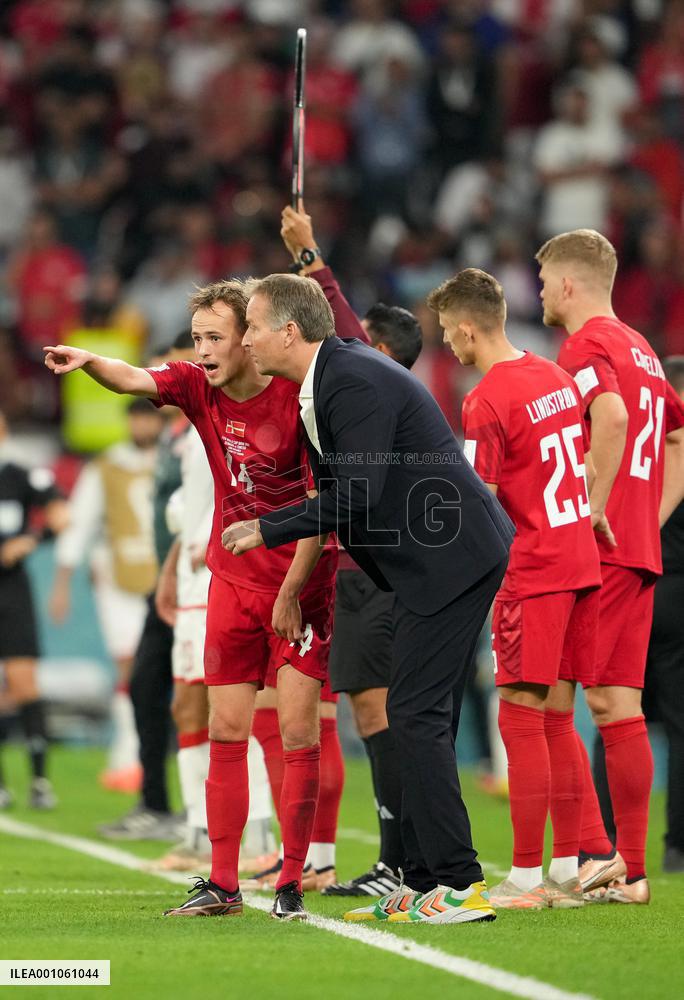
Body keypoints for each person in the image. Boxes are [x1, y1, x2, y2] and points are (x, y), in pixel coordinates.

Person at [44, 279, 339, 923]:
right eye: (198, 338)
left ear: (251, 336)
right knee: (226, 729)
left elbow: (326, 510)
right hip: (231, 582)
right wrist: (89, 362)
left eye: (216, 337)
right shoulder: (196, 387)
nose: (203, 350)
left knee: (296, 732)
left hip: (301, 583)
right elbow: (133, 380)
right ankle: (225, 883)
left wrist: (293, 591)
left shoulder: (303, 399)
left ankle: (294, 878)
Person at [224, 273, 515, 926]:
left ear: (289, 333)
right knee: (415, 716)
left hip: (452, 560)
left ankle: (461, 886)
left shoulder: (347, 379)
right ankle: (420, 881)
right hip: (428, 566)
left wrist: (265, 528)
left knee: (414, 716)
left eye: (253, 326)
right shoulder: (335, 372)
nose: (246, 339)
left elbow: (355, 494)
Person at [432, 268, 604, 909]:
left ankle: (527, 878)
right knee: (560, 720)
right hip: (579, 563)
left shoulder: (486, 400)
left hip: (531, 574)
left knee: (520, 721)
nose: (448, 344)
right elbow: (579, 464)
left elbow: (485, 505)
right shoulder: (555, 376)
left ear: (469, 327)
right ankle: (565, 869)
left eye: (449, 333)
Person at [536, 229, 684, 903]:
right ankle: (628, 871)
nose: (537, 291)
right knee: (617, 707)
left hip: (599, 552)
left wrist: (593, 510)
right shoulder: (645, 350)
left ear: (569, 283)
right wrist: (646, 516)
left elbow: (613, 419)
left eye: (542, 280)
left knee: (562, 699)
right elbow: (677, 438)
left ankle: (588, 859)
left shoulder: (587, 344)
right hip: (638, 551)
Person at [280, 203, 422, 897]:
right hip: (381, 568)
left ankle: (401, 860)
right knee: (381, 713)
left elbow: (338, 327)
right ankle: (406, 857)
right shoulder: (390, 398)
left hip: (376, 570)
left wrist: (310, 258)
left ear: (381, 354)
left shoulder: (372, 383)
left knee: (379, 713)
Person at [50, 398, 164, 793]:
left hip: (171, 575)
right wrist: (63, 581)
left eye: (149, 419)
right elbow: (79, 523)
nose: (143, 427)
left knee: (180, 675)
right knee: (129, 665)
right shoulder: (106, 466)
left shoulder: (177, 455)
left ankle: (168, 757)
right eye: (137, 419)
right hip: (120, 578)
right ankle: (127, 753)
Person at [0, 411, 68, 809]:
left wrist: (31, 538)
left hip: (11, 589)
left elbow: (61, 514)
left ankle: (39, 781)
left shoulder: (19, 474)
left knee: (24, 683)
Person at [644, 356, 684, 873]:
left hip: (638, 581)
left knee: (617, 714)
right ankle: (677, 845)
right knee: (679, 724)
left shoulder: (646, 447)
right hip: (678, 590)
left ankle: (600, 842)